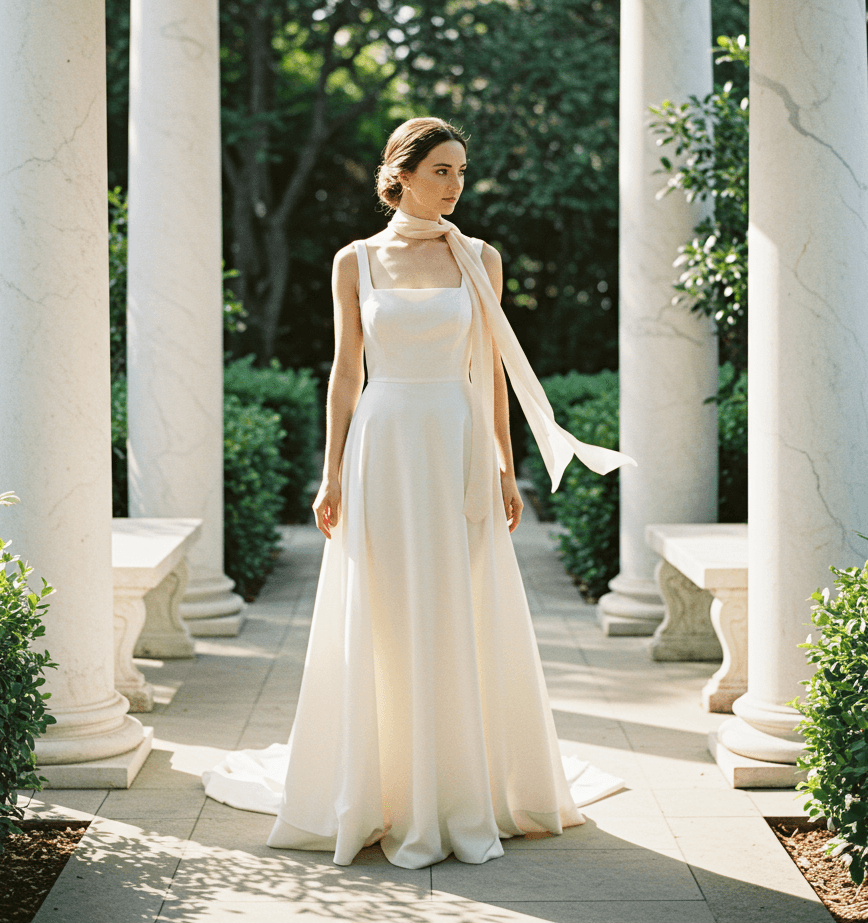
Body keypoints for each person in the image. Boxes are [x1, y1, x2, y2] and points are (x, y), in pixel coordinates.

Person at [203, 116, 635, 869]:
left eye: (462, 171)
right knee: (387, 606)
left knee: (459, 602)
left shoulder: (481, 258)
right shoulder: (355, 261)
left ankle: (462, 786)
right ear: (401, 173)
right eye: (442, 170)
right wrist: (330, 470)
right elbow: (345, 374)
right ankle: (383, 788)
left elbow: (492, 368)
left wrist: (504, 461)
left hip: (455, 442)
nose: (456, 185)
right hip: (383, 444)